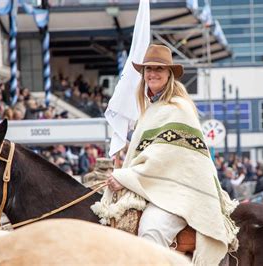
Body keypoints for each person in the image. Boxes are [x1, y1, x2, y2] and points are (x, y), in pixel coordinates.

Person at [91, 44, 238, 265]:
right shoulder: (151, 109)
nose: (152, 73)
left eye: (159, 68)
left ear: (169, 73)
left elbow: (165, 160)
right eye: (148, 69)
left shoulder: (178, 108)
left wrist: (125, 177)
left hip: (178, 194)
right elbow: (151, 154)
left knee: (151, 232)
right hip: (155, 190)